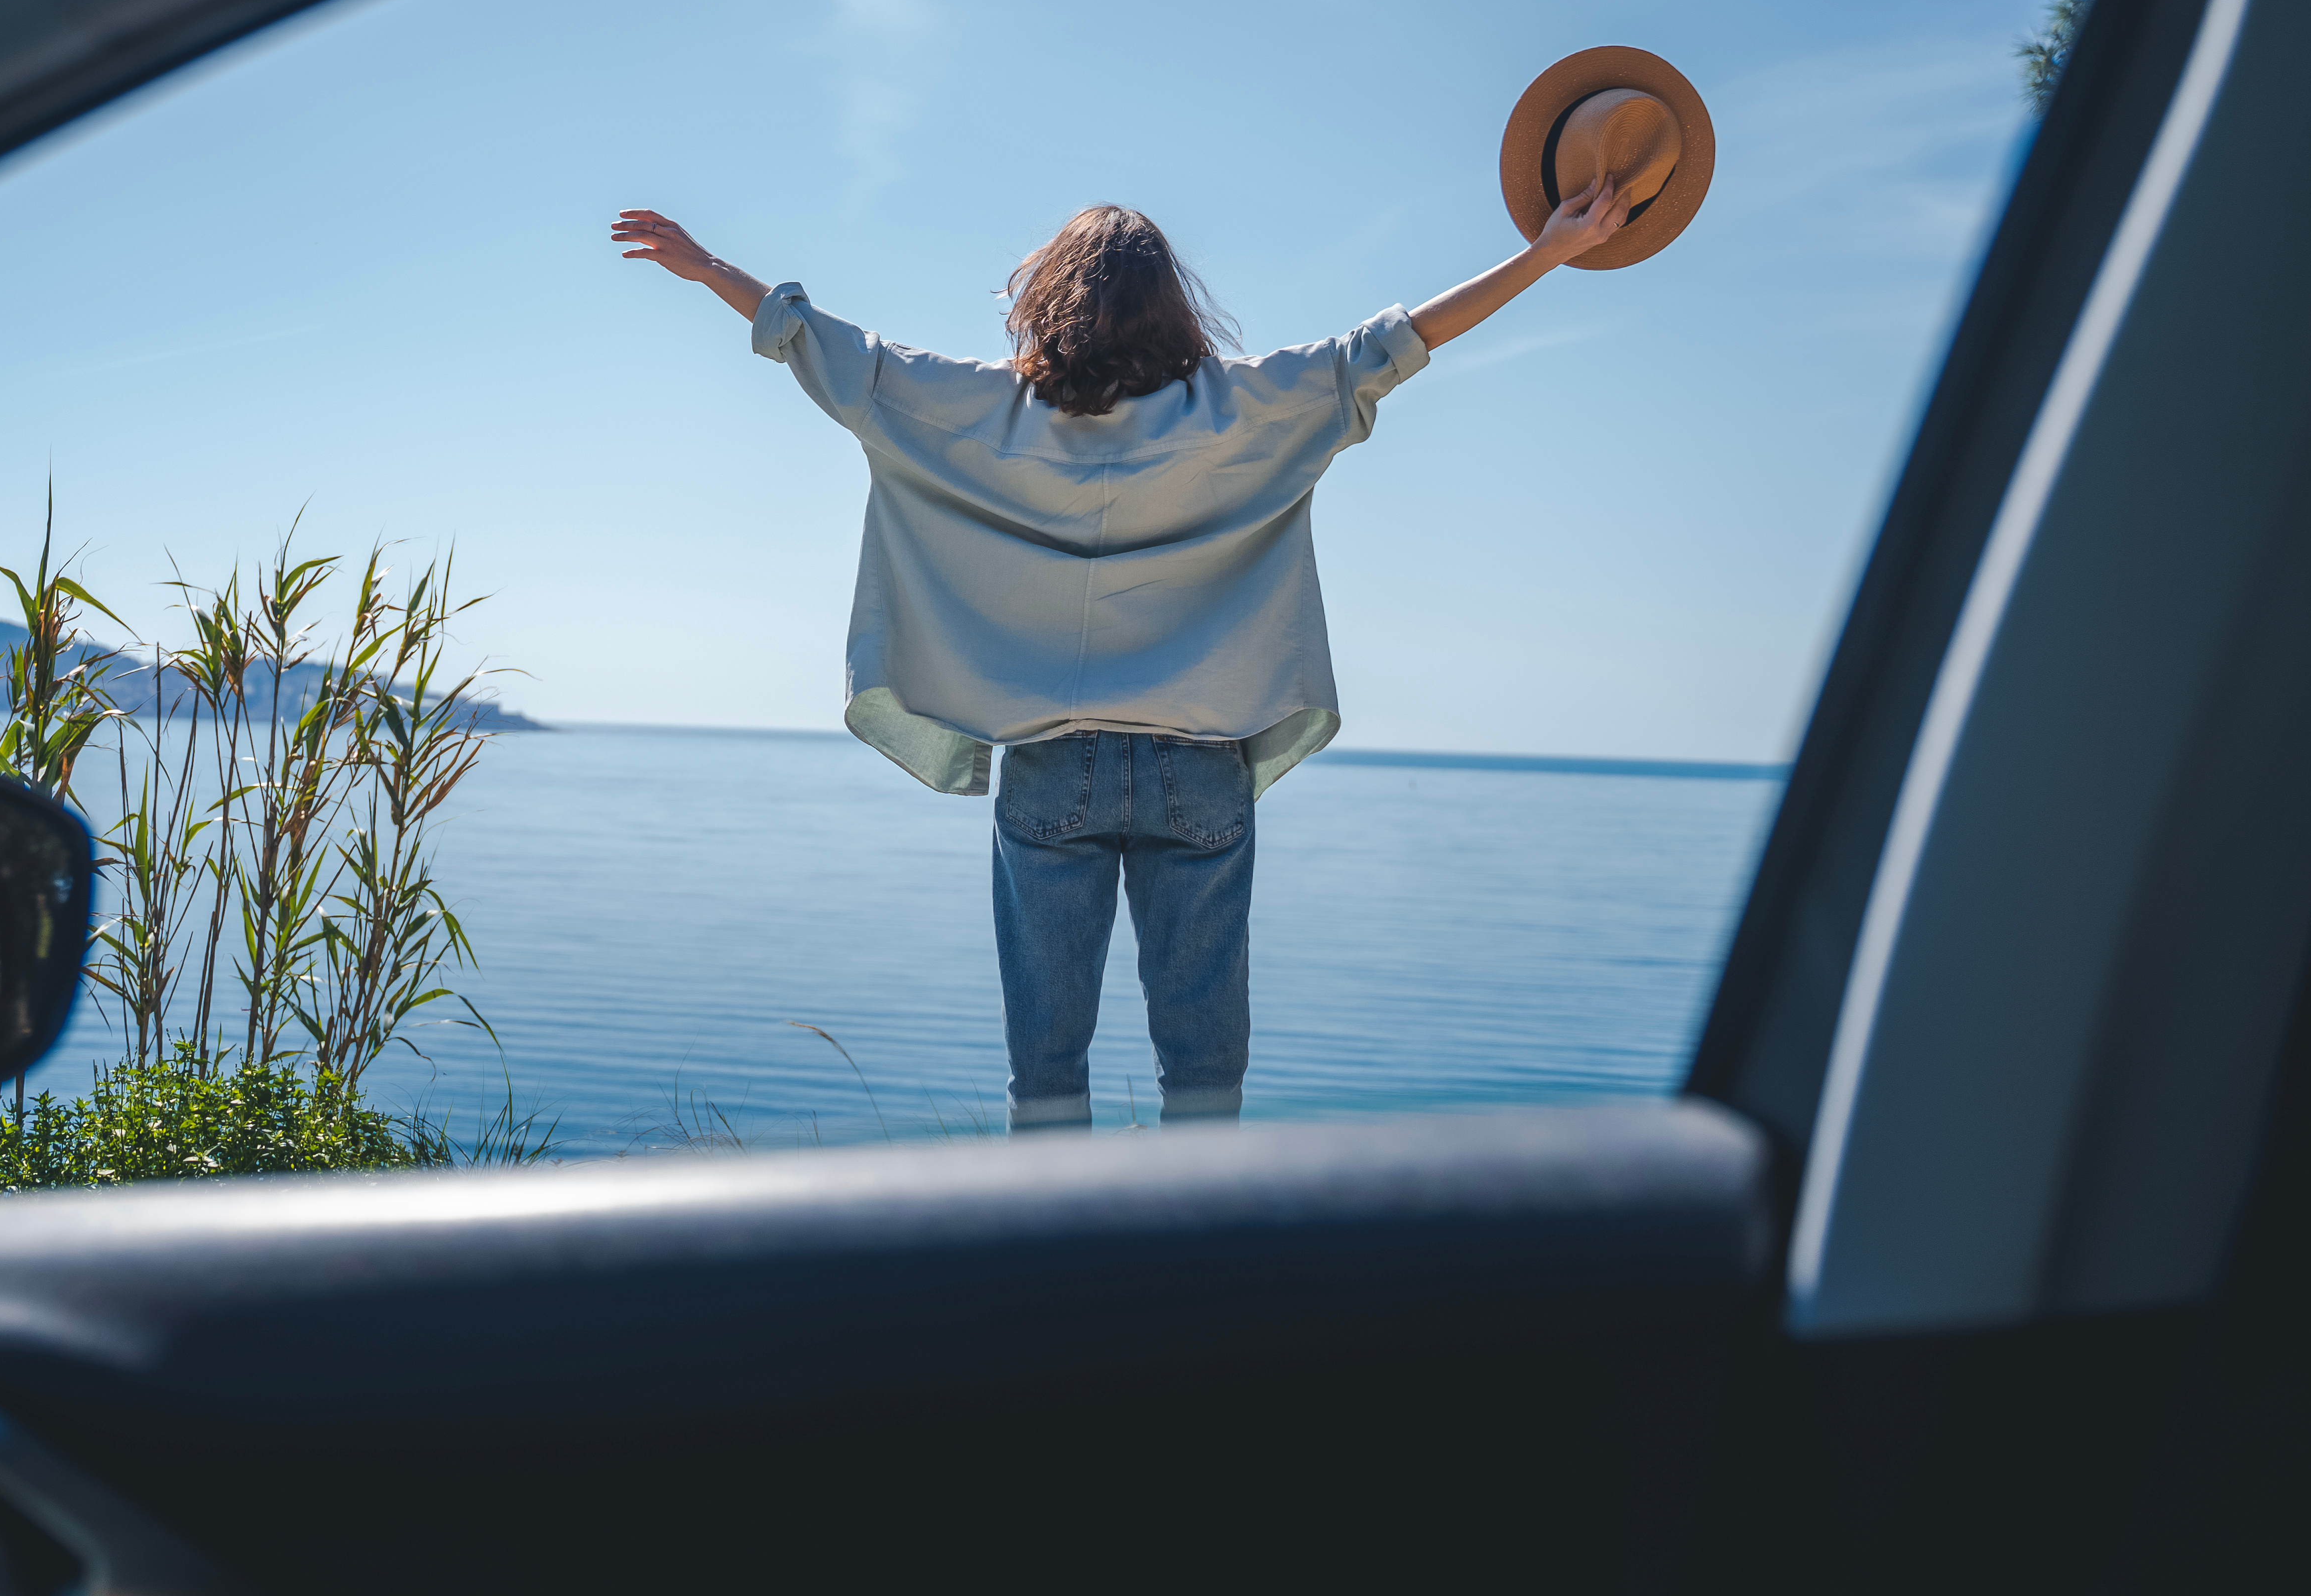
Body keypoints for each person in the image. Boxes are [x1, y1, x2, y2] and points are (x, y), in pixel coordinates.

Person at [608, 184, 1634, 1132]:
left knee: (1046, 1074)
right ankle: (1194, 1252)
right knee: (1205, 1072)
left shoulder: (982, 408)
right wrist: (1545, 253)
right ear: (1173, 308)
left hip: (1053, 767)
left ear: (1047, 299)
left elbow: (828, 349)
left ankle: (1061, 1254)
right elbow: (1395, 344)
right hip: (1202, 768)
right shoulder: (1245, 406)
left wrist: (709, 268)